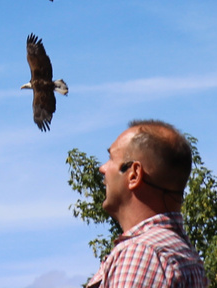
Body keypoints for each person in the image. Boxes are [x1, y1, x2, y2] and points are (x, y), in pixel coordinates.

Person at [86, 120, 208, 288]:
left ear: (134, 175)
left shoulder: (141, 253)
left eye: (111, 158)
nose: (102, 168)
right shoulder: (185, 255)